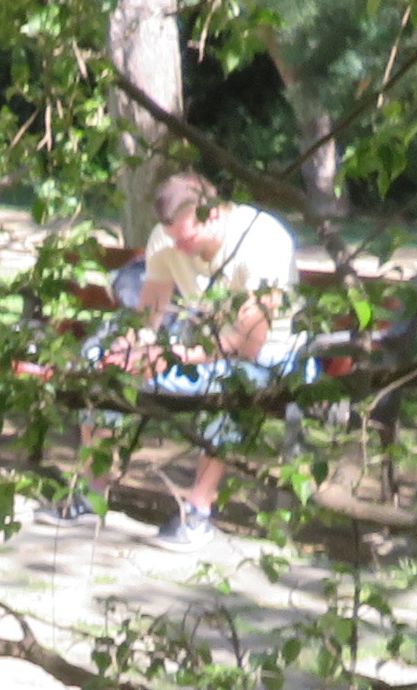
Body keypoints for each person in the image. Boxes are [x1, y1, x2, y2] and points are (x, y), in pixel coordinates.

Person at [44, 169, 304, 548]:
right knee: (99, 361)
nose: (178, 248)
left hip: (271, 352)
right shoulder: (166, 239)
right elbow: (147, 317)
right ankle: (91, 493)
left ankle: (198, 513)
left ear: (213, 214)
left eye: (186, 239)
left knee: (230, 382)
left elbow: (248, 343)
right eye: (172, 238)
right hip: (199, 341)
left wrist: (171, 356)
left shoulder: (262, 240)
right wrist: (131, 349)